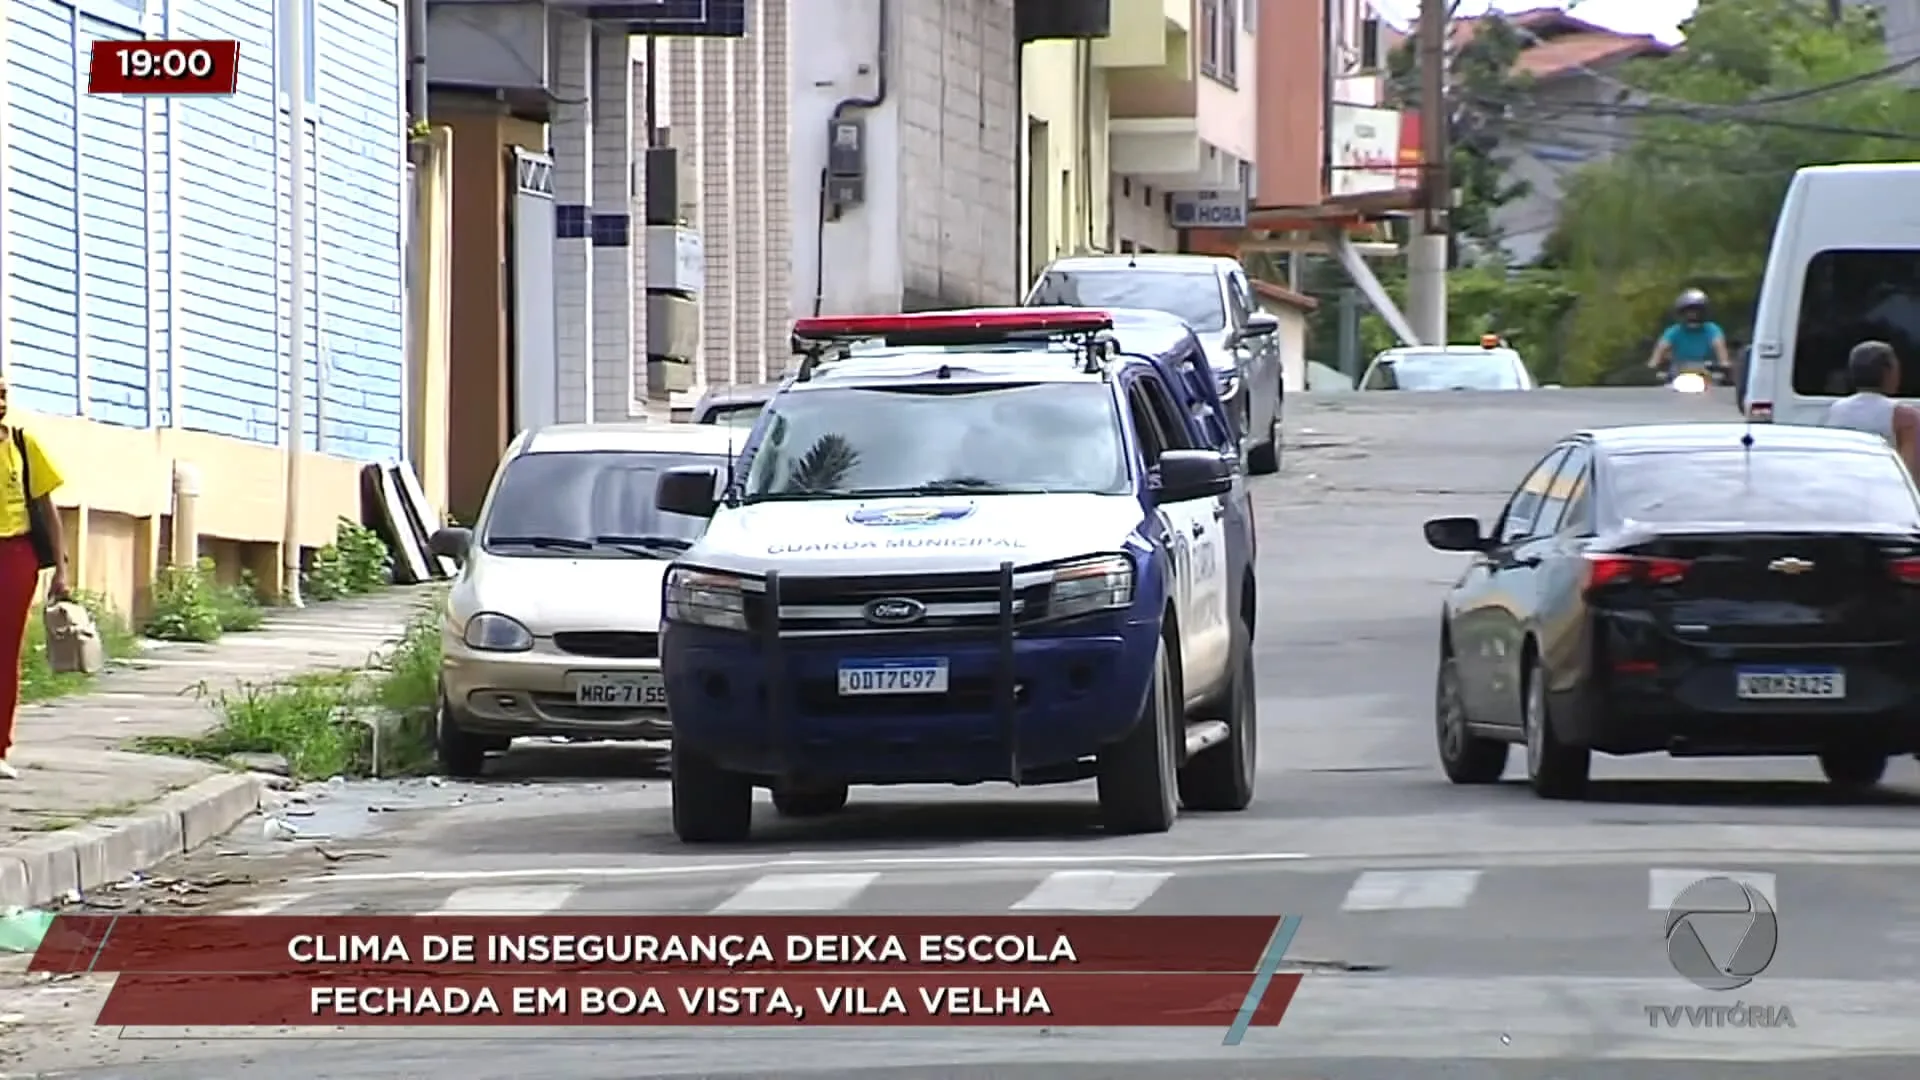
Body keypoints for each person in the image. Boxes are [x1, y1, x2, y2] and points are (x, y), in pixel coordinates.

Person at [0, 379, 68, 780]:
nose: (1, 402)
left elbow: (47, 508)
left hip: (14, 554)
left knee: (5, 652)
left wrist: (62, 567)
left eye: (4, 394)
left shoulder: (24, 445)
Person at [1824, 340, 1920, 477]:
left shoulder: (1837, 410)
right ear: (1887, 372)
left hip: (1846, 483)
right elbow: (1912, 471)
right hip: (1884, 487)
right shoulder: (1905, 417)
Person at [1646, 288, 1730, 381]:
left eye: (1696, 311)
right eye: (1689, 311)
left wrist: (1724, 367)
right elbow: (1660, 350)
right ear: (1682, 313)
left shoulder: (1712, 329)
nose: (1693, 315)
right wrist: (1652, 368)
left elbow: (1720, 348)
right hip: (1678, 375)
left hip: (1707, 374)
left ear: (1703, 312)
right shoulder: (1674, 331)